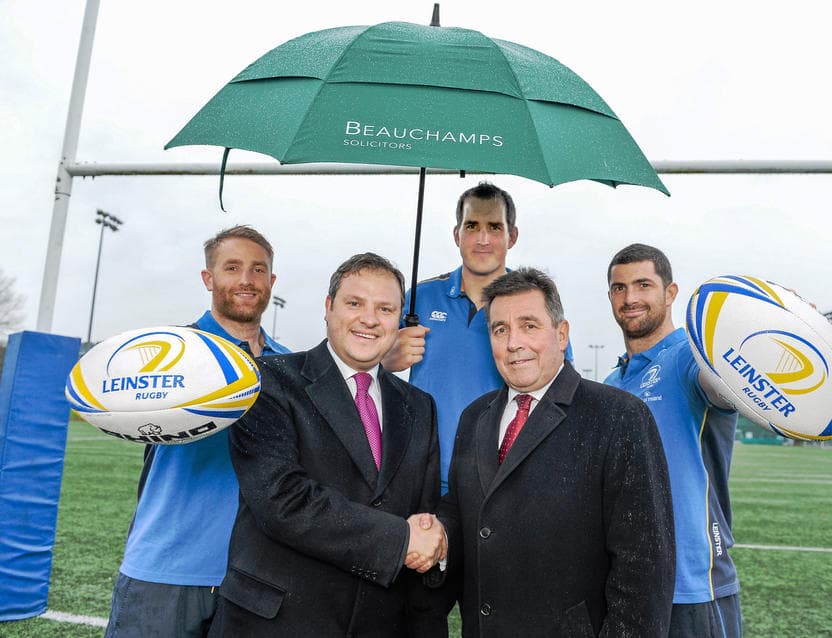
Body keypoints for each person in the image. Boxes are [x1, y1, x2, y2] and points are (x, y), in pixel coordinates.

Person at [208, 253, 447, 637]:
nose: (369, 319)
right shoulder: (268, 382)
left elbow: (424, 511)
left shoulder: (420, 407)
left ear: (400, 319)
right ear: (328, 307)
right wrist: (400, 539)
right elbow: (282, 499)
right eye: (355, 303)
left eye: (385, 308)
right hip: (277, 625)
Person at [438, 267, 675, 637]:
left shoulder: (619, 417)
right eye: (500, 329)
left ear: (561, 334)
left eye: (529, 325)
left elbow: (644, 568)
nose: (514, 342)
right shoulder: (474, 417)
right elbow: (463, 514)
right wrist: (432, 536)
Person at [105, 225, 291, 638]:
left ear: (272, 282)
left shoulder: (290, 366)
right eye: (232, 267)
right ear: (209, 279)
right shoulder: (176, 352)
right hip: (166, 570)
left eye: (258, 270)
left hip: (254, 577)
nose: (247, 280)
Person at [603, 243, 742, 638]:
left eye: (643, 285)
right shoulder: (613, 382)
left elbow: (720, 387)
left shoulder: (690, 359)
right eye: (619, 288)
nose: (630, 298)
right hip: (629, 584)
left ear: (670, 292)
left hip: (693, 582)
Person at [382, 181, 519, 494]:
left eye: (495, 227)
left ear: (512, 236)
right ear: (457, 234)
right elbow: (363, 367)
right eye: (472, 225)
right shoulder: (419, 297)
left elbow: (559, 390)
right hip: (423, 479)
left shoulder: (531, 304)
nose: (483, 239)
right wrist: (387, 360)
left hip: (501, 483)